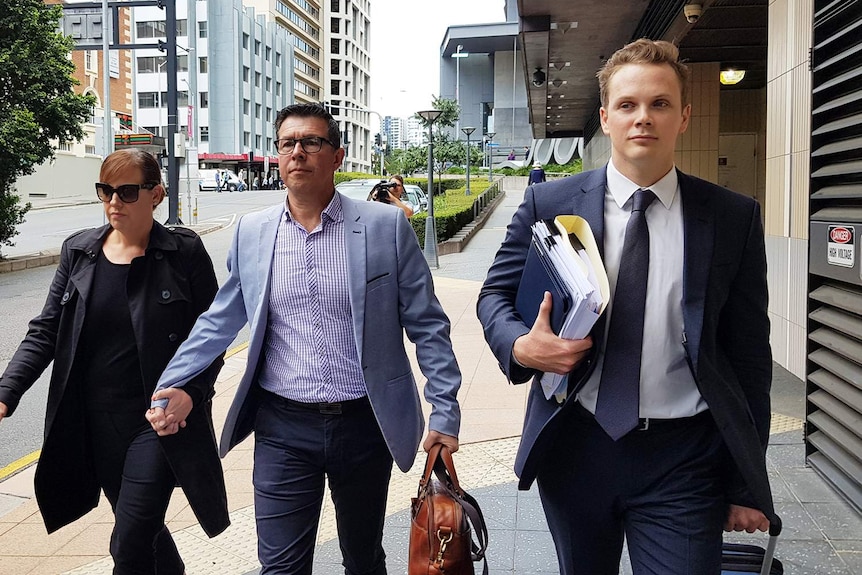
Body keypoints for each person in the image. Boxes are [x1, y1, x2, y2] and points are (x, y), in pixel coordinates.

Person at [477, 39, 774, 575]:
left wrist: (746, 480)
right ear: (606, 118)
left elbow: (749, 355)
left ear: (684, 116)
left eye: (660, 104)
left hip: (683, 457)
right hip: (576, 446)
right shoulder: (549, 204)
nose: (644, 118)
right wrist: (522, 346)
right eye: (628, 105)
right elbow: (493, 297)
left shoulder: (732, 218)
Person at [147, 103, 462, 574]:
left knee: (362, 557)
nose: (298, 152)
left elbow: (427, 324)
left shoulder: (384, 227)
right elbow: (220, 318)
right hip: (282, 427)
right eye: (288, 143)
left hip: (364, 423)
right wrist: (173, 380)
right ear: (278, 155)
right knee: (279, 566)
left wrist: (446, 410)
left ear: (336, 155)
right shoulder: (252, 232)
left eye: (312, 142)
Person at [0, 149, 229, 574]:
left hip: (157, 420)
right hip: (95, 422)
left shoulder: (184, 252)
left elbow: (210, 337)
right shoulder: (80, 252)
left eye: (126, 192)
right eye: (105, 191)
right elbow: (46, 329)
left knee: (129, 540)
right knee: (145, 532)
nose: (113, 203)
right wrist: (6, 392)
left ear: (156, 194)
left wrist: (192, 393)